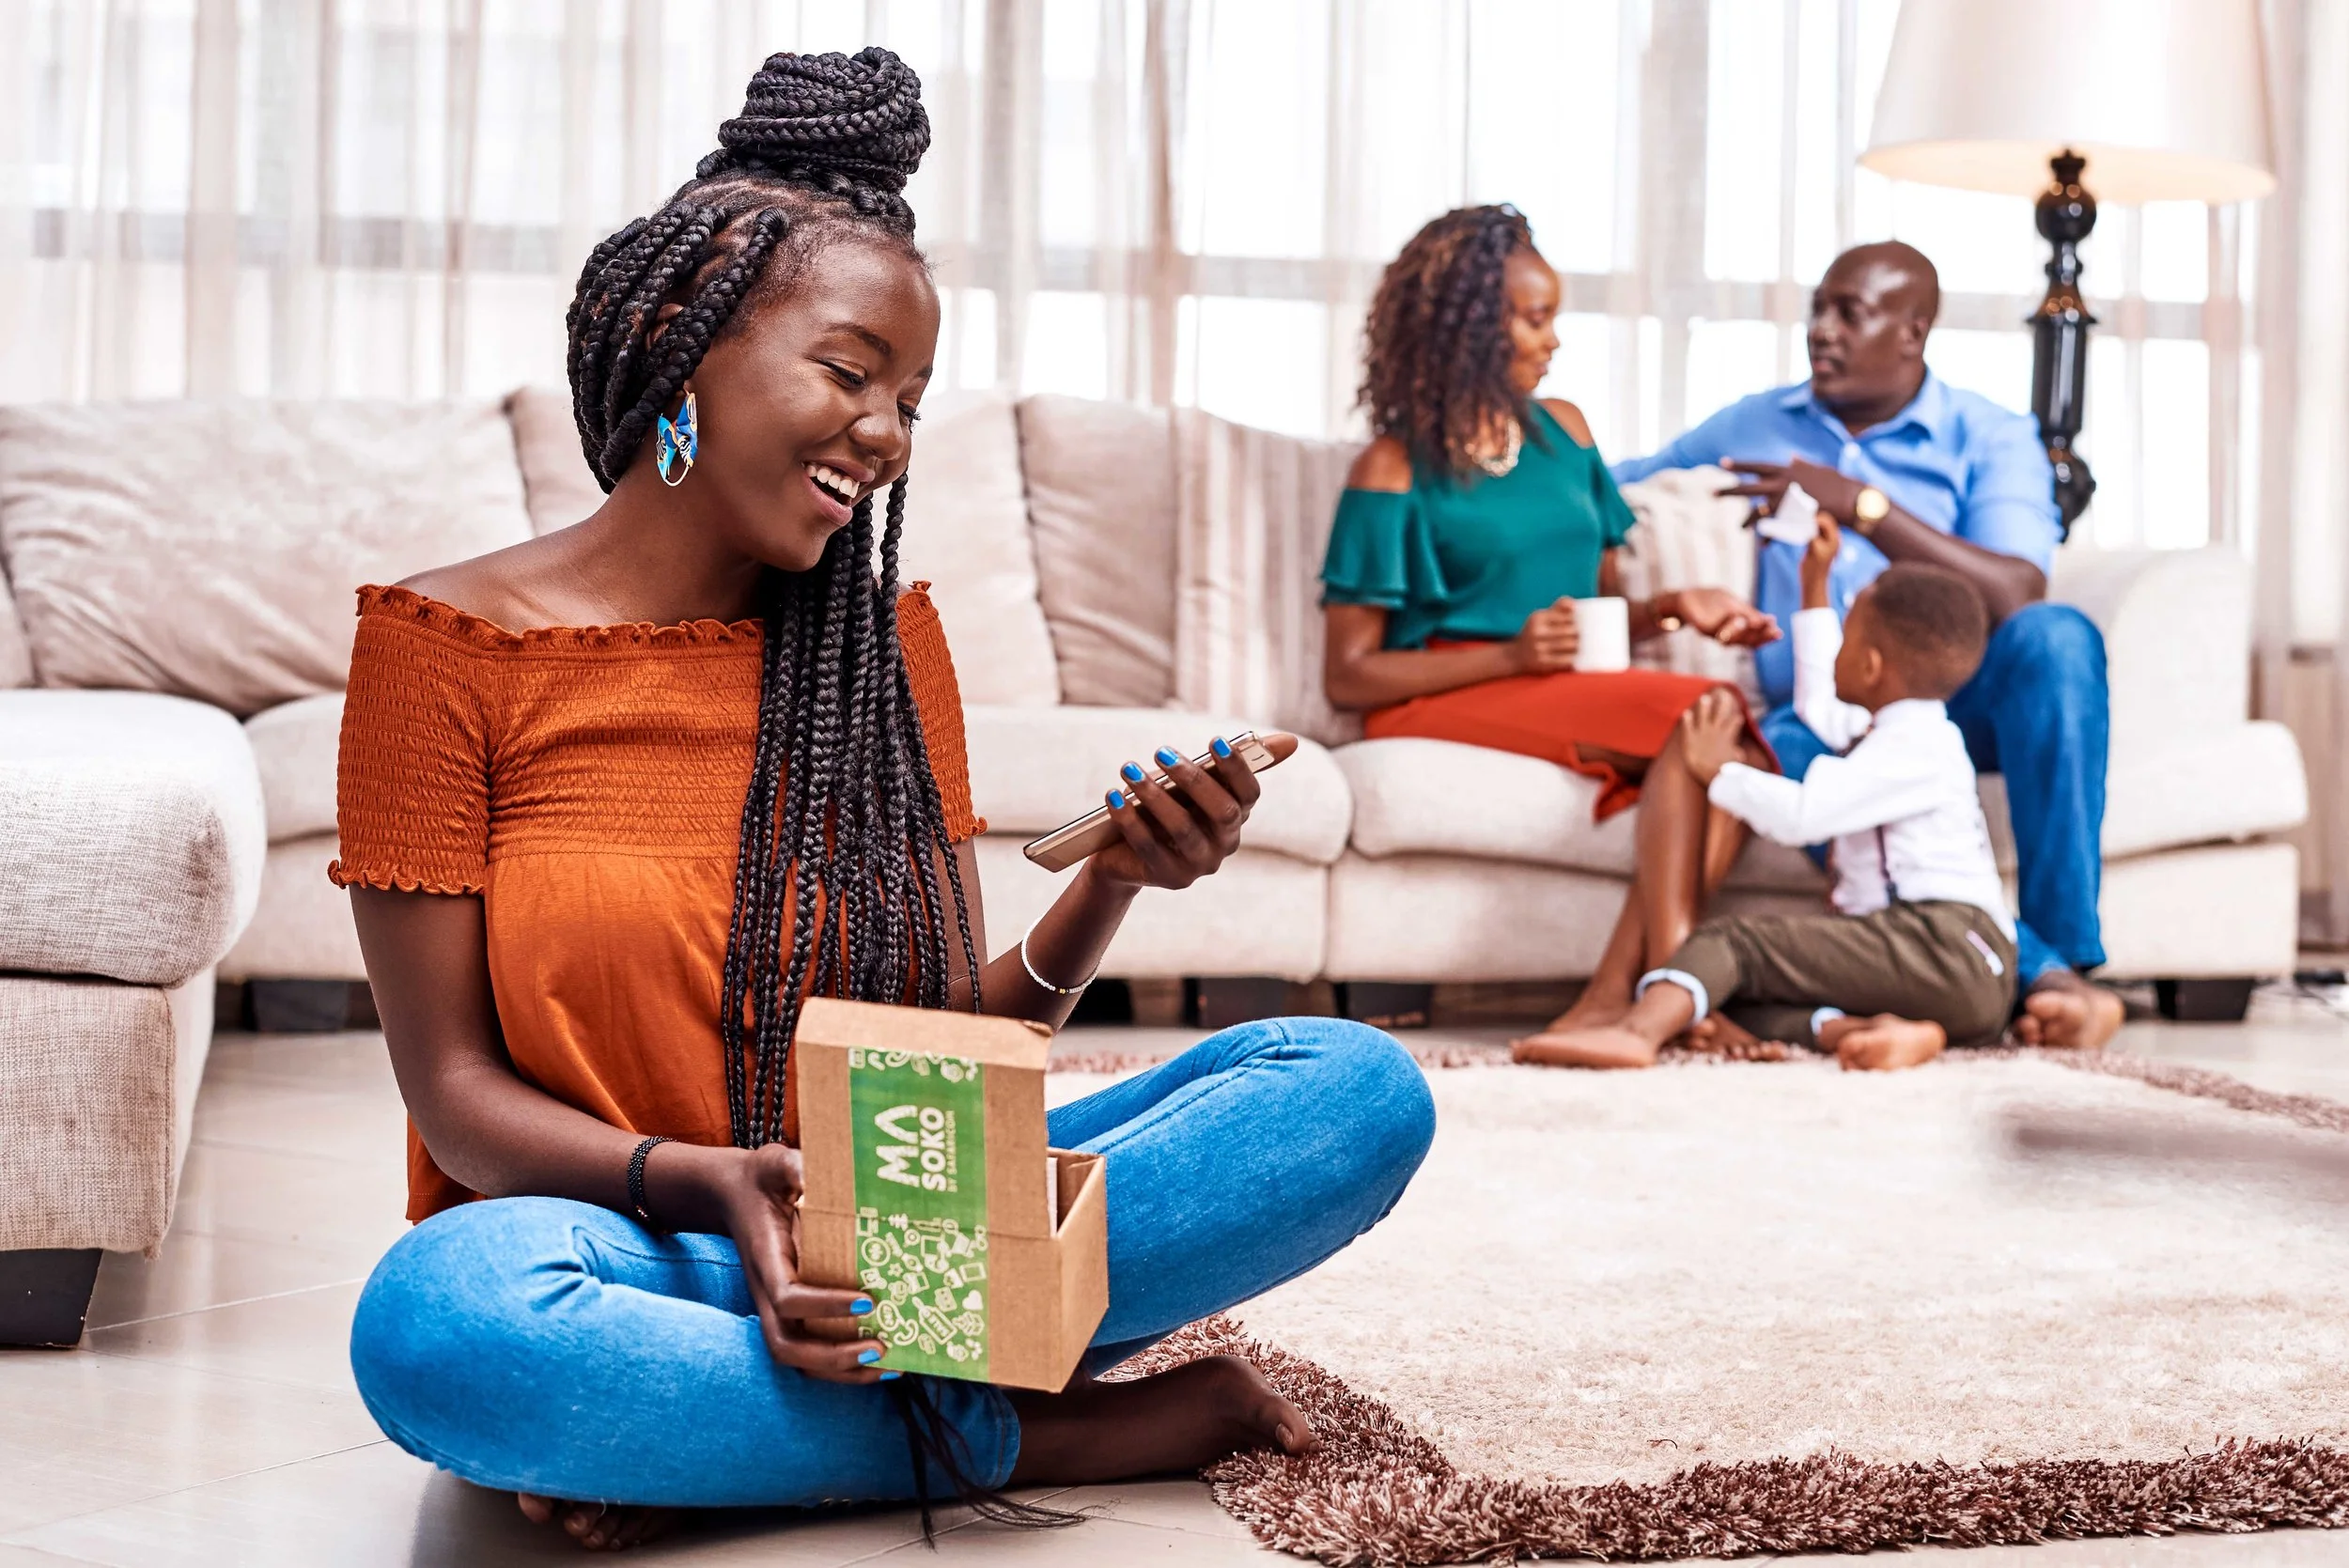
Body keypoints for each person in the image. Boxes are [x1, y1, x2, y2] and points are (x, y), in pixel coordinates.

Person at [334, 49, 1434, 1554]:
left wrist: (1109, 884)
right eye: (850, 373)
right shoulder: (438, 651)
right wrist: (718, 1187)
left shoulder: (881, 653)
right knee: (445, 1323)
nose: (888, 437)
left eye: (910, 399)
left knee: (1349, 1085)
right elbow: (452, 1095)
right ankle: (1009, 1421)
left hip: (906, 1229)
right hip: (614, 1236)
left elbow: (938, 1061)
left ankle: (708, 1434)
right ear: (679, 339)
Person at [1610, 241, 2122, 1051]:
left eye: (1851, 312)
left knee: (2058, 641)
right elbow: (1615, 485)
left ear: (1913, 332)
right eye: (1819, 309)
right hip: (1816, 715)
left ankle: (2070, 971)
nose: (1822, 331)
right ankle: (2041, 983)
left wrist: (1862, 506)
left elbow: (2018, 592)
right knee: (1777, 743)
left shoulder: (1987, 436)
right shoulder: (1757, 423)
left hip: (1959, 706)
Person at [1320, 204, 1781, 1040]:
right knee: (1705, 717)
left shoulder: (1566, 431)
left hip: (1557, 684)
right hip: (1438, 691)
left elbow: (1599, 618)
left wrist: (1678, 606)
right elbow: (1350, 676)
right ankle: (1666, 994)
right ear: (1465, 332)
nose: (1553, 340)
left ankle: (1621, 1001)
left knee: (1732, 744)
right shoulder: (1391, 469)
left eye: (1553, 317)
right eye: (1534, 319)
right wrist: (1511, 653)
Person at [1517, 524, 2015, 1071]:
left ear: (1872, 667)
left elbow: (1803, 817)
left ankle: (1636, 1032)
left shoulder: (1918, 747)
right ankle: (1875, 1032)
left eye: (1847, 639)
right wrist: (1814, 586)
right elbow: (1821, 707)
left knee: (1732, 942)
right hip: (1962, 978)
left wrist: (1720, 770)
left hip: (1944, 942)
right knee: (1729, 996)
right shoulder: (1897, 728)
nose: (1839, 653)